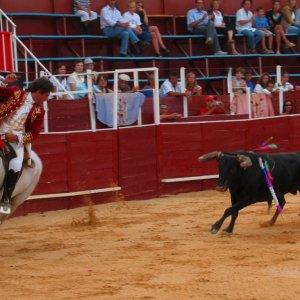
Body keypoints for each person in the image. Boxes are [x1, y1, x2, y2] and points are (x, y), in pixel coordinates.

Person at [0, 78, 53, 211]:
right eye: (46, 95)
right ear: (38, 92)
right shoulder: (16, 93)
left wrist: (16, 137)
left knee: (16, 165)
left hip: (14, 140)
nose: (47, 99)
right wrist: (5, 82)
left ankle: (5, 199)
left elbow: (34, 134)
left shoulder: (39, 111)